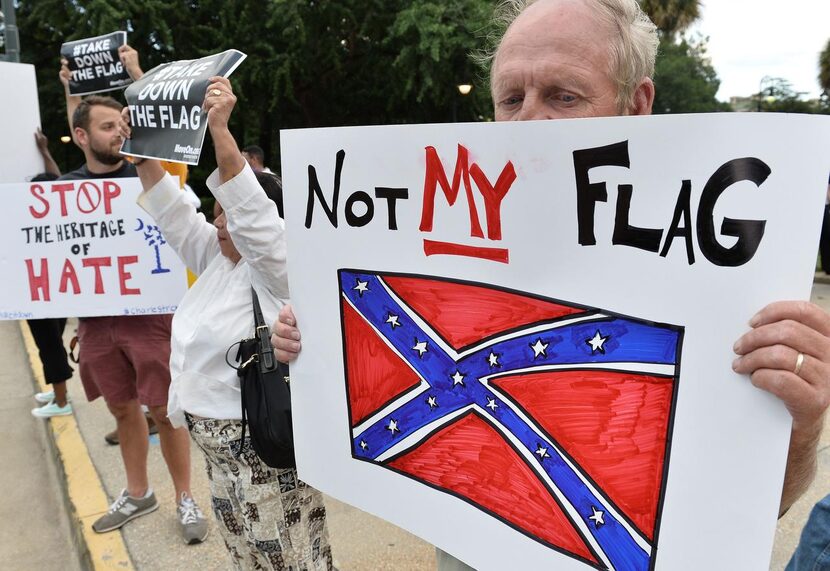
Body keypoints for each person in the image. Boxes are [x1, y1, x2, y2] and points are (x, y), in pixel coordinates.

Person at [272, 0, 830, 569]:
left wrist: (801, 426)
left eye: (563, 97)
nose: (528, 124)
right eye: (511, 99)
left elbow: (729, 523)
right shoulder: (442, 228)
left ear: (637, 106)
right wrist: (314, 338)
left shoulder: (715, 271)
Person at [120, 76, 333, 570]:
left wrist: (220, 130)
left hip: (260, 451)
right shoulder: (219, 259)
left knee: (290, 557)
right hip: (219, 458)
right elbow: (175, 215)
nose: (218, 223)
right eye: (216, 213)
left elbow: (253, 216)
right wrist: (144, 154)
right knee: (246, 556)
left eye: (226, 212)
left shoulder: (277, 266)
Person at [60, 94, 207, 542]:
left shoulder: (148, 176)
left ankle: (185, 497)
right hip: (96, 321)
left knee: (165, 410)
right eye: (106, 127)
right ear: (81, 135)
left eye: (119, 126)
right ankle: (138, 492)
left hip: (150, 316)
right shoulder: (60, 191)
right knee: (123, 408)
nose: (117, 134)